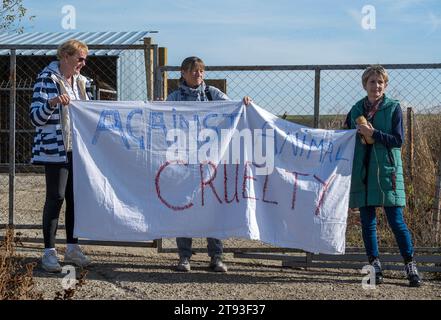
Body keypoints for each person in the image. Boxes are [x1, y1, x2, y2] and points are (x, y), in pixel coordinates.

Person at [167, 56, 252, 272]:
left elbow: (233, 107)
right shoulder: (175, 97)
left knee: (213, 207)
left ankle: (216, 257)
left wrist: (243, 103)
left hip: (211, 161)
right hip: (184, 161)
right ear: (183, 73)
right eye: (194, 71)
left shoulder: (212, 93)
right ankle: (184, 257)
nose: (198, 74)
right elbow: (164, 120)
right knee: (185, 207)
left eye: (201, 71)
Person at [345, 65, 422, 287]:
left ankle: (410, 265)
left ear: (385, 85)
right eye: (372, 82)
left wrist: (373, 134)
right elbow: (344, 136)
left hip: (388, 172)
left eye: (380, 82)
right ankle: (374, 266)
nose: (376, 86)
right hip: (363, 172)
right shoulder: (356, 109)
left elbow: (398, 140)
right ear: (365, 84)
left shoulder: (393, 108)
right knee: (367, 222)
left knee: (396, 221)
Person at [30, 39, 93, 272]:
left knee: (75, 199)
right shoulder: (45, 79)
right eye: (80, 58)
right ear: (65, 56)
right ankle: (49, 251)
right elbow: (35, 117)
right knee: (55, 198)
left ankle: (72, 248)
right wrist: (53, 103)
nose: (83, 64)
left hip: (78, 150)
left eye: (85, 59)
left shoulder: (82, 83)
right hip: (55, 149)